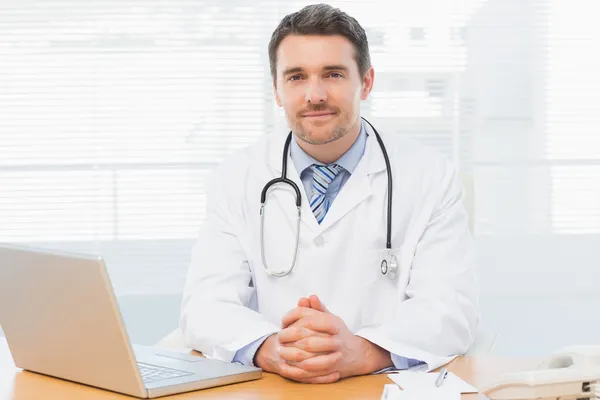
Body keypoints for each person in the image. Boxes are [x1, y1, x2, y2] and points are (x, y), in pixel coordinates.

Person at [180, 3, 479, 384]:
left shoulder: (429, 175)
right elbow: (205, 305)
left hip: (382, 386)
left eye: (333, 74)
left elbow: (450, 307)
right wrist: (271, 348)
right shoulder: (236, 177)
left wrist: (364, 352)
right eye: (296, 77)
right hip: (274, 388)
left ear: (366, 82)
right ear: (276, 89)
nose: (314, 94)